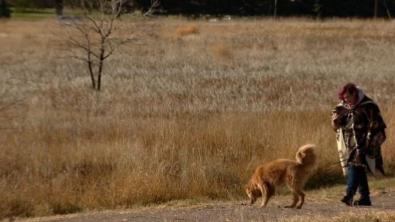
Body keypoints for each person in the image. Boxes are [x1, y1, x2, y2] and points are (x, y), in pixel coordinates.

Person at [331, 83, 387, 206]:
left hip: (365, 143)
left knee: (355, 165)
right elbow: (335, 126)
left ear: (355, 94)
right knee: (358, 167)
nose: (346, 100)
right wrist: (335, 121)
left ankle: (349, 194)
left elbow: (378, 123)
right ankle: (365, 198)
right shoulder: (341, 108)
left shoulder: (369, 106)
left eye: (348, 97)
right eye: (344, 97)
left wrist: (371, 140)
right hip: (348, 144)